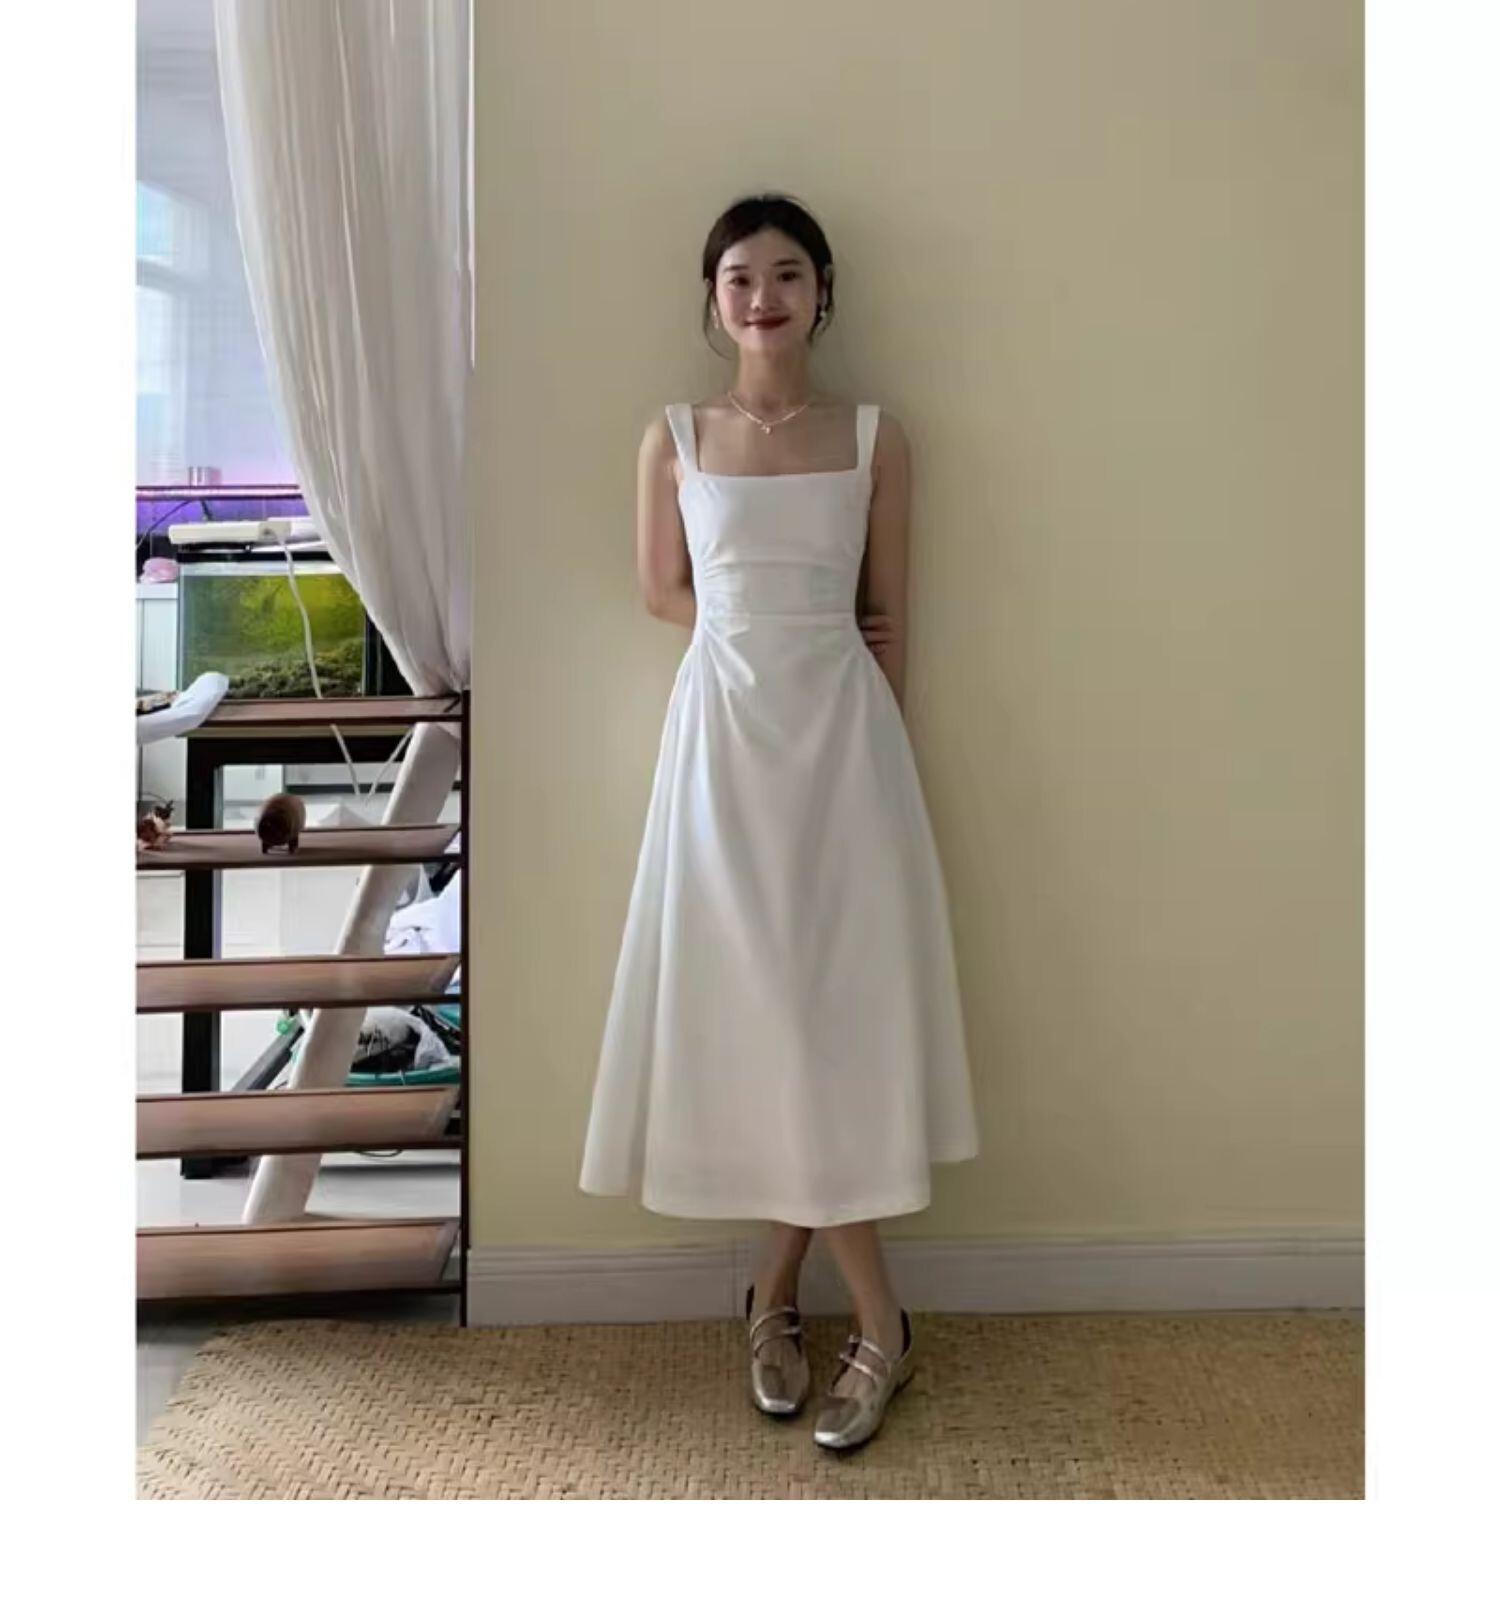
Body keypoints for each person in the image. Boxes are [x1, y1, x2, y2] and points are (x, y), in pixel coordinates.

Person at [579, 193, 979, 1453]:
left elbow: (892, 614)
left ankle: (784, 1297)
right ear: (713, 299)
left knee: (821, 1015)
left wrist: (878, 747)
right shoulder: (673, 438)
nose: (764, 297)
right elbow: (660, 589)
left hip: (845, 751)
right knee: (762, 1009)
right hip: (722, 744)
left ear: (823, 294)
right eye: (742, 277)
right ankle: (858, 1313)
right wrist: (750, 621)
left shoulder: (877, 437)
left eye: (789, 274)